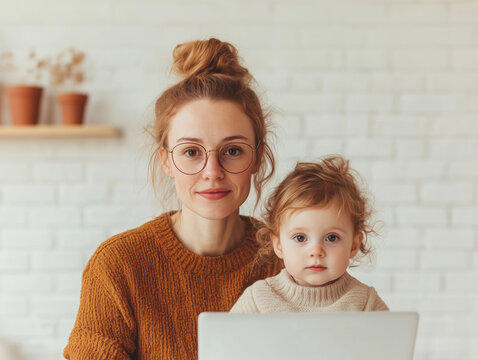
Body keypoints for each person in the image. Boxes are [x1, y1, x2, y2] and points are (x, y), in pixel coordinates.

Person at [63, 38, 282, 359]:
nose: (212, 171)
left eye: (232, 151)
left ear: (258, 157)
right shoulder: (118, 266)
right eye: (191, 152)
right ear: (166, 160)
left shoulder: (290, 261)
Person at [230, 155, 388, 313]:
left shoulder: (366, 303)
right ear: (278, 245)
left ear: (354, 245)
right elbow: (224, 337)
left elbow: (394, 337)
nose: (316, 252)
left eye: (332, 238)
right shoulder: (258, 299)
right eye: (300, 238)